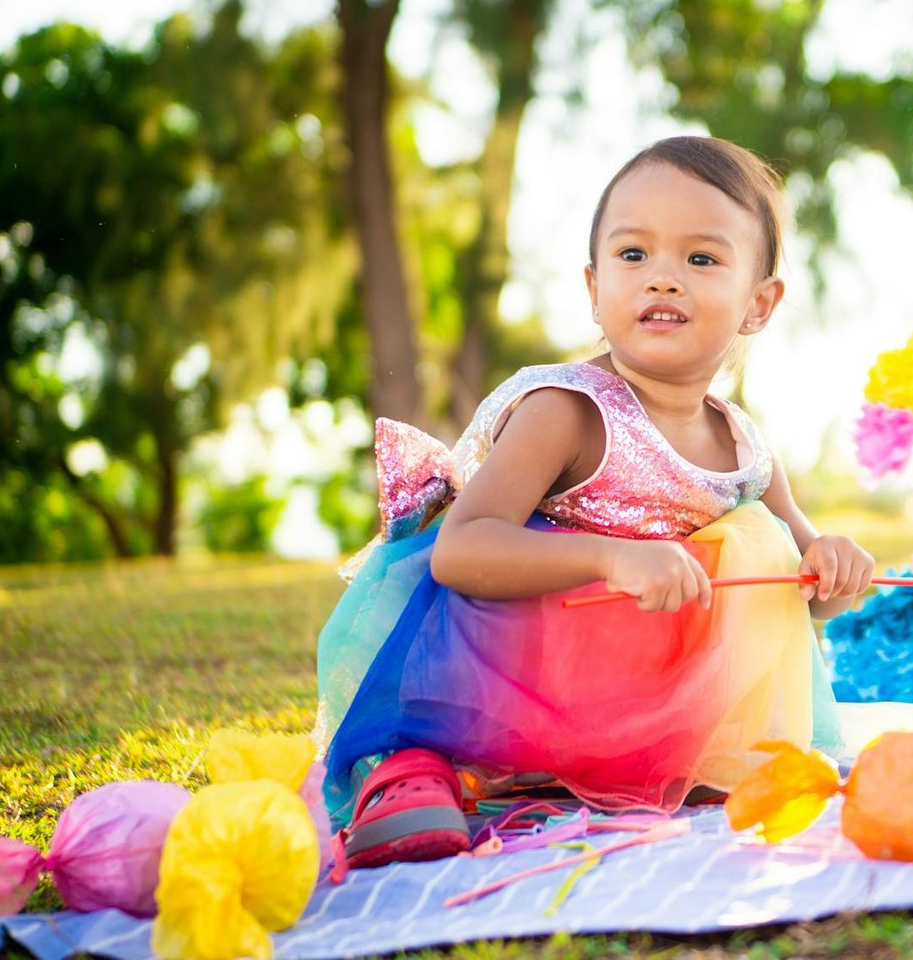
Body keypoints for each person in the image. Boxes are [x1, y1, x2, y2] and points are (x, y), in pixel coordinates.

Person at [316, 136, 875, 875]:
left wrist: (832, 567)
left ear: (759, 303)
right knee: (440, 741)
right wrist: (612, 555)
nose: (663, 281)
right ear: (593, 286)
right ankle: (418, 766)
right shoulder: (569, 409)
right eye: (633, 256)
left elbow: (799, 599)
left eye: (702, 260)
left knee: (760, 544)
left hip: (637, 698)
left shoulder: (743, 446)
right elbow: (462, 550)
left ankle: (652, 762)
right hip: (499, 672)